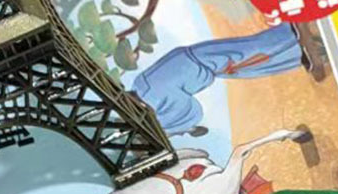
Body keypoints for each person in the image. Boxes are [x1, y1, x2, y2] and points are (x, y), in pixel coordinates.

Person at [132, 22, 314, 135]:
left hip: (200, 63)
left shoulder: (153, 98)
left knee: (248, 53)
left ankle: (292, 35)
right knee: (248, 63)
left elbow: (190, 110)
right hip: (195, 60)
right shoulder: (139, 85)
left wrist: (185, 128)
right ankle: (296, 53)